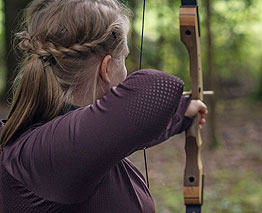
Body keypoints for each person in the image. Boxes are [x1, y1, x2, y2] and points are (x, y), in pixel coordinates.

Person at [0, 0, 207, 212]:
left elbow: (116, 131)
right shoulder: (46, 155)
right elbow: (161, 87)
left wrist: (181, 114)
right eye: (124, 59)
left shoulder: (53, 146)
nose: (125, 71)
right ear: (106, 68)